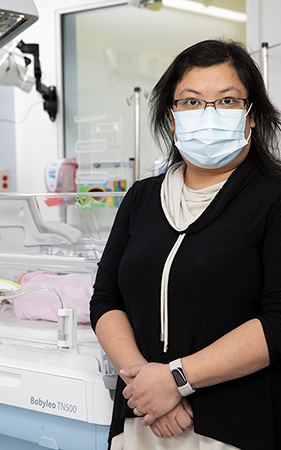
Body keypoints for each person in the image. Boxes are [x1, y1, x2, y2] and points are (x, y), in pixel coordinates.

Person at [90, 39, 281, 450]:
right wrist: (147, 386)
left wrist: (177, 379)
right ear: (172, 118)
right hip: (140, 421)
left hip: (234, 429)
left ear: (251, 118)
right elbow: (105, 300)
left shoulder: (272, 198)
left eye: (227, 100)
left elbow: (278, 321)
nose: (208, 114)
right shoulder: (141, 198)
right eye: (191, 102)